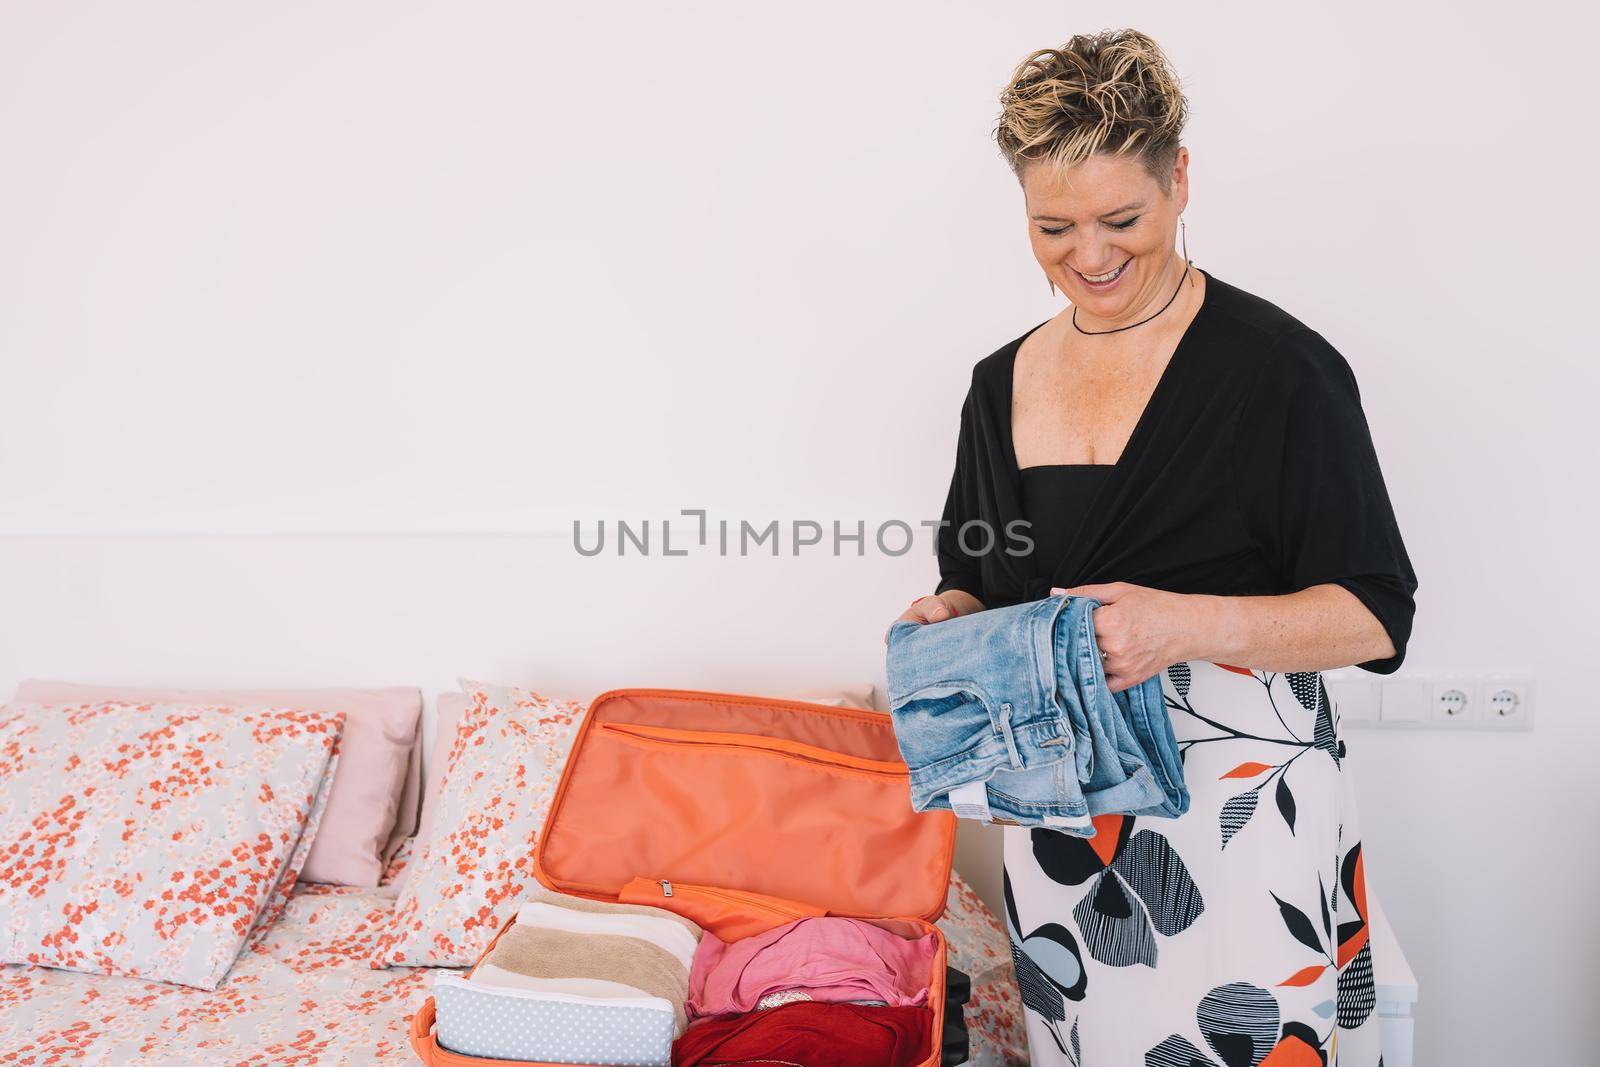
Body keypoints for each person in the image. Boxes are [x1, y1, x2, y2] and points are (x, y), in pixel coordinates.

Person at [891, 29, 1417, 1066]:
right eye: (1052, 227)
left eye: (1120, 218)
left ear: (1179, 179)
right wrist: (951, 612)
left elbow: (1372, 611)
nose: (1088, 257)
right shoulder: (997, 382)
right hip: (1064, 821)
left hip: (1242, 822)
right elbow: (978, 569)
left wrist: (1184, 624)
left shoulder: (1281, 369)